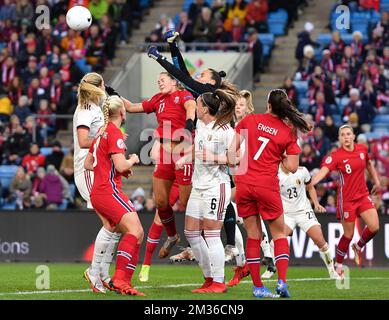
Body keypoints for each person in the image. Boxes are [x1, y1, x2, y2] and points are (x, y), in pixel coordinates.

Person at [227, 89, 312, 298]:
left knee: (253, 236)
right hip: (267, 186)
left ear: (268, 105)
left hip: (244, 184)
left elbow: (230, 155)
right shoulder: (288, 132)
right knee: (279, 234)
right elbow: (292, 167)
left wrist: (242, 165)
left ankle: (258, 288)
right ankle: (282, 282)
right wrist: (280, 155)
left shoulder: (250, 120)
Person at [124, 72, 196, 259]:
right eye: (158, 80)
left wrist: (189, 124)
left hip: (183, 150)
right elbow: (131, 107)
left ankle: (196, 244)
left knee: (188, 202)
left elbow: (191, 106)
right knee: (161, 202)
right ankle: (172, 235)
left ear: (174, 81)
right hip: (165, 154)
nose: (159, 82)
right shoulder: (157, 100)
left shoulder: (183, 95)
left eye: (163, 79)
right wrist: (112, 94)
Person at [177, 89, 236, 293]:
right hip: (198, 185)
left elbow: (235, 160)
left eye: (198, 103)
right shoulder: (200, 124)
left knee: (211, 234)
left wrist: (214, 157)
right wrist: (186, 157)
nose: (195, 105)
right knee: (191, 233)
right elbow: (197, 147)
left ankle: (219, 281)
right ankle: (209, 276)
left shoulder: (225, 130)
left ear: (205, 109)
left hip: (216, 187)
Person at [84, 95, 144, 296]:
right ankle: (120, 279)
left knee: (112, 229)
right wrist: (132, 160)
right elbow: (120, 164)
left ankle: (100, 274)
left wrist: (114, 169)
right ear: (122, 112)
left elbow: (87, 163)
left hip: (98, 191)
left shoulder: (101, 132)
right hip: (108, 191)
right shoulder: (114, 133)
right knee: (135, 231)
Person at [309, 125, 381, 276]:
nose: (346, 137)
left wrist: (377, 182)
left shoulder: (362, 149)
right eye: (343, 135)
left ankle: (358, 246)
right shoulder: (336, 156)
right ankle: (338, 264)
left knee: (374, 227)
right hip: (346, 200)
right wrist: (310, 182)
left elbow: (369, 164)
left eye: (348, 134)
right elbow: (323, 172)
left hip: (362, 196)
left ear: (353, 136)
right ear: (339, 138)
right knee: (348, 235)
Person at [73, 72, 121, 293]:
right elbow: (84, 141)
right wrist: (105, 138)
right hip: (88, 170)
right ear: (97, 87)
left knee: (116, 225)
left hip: (98, 169)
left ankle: (102, 275)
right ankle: (96, 274)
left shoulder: (94, 109)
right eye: (103, 83)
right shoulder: (86, 110)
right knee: (111, 224)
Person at [226, 90, 276, 286]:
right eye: (236, 104)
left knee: (226, 209)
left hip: (248, 177)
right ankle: (266, 258)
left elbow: (248, 154)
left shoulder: (250, 125)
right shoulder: (235, 126)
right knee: (246, 218)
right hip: (239, 176)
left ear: (248, 108)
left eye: (241, 105)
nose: (238, 107)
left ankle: (241, 258)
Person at [277, 164, 339, 279]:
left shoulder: (303, 170)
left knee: (319, 239)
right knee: (276, 240)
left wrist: (316, 204)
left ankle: (332, 271)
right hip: (287, 214)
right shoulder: (276, 174)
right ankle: (272, 268)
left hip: (304, 211)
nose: (294, 159)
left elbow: (310, 187)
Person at [147, 30, 238, 98]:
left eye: (202, 75)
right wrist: (172, 44)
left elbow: (181, 77)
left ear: (212, 82)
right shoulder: (203, 90)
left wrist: (159, 57)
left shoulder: (208, 92)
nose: (198, 76)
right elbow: (181, 71)